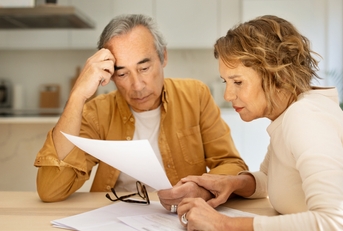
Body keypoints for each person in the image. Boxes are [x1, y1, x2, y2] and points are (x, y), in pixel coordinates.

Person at [34, 14, 248, 203]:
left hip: (178, 217)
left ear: (163, 57)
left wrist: (200, 188)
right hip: (114, 218)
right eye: (122, 74)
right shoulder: (98, 113)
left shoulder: (195, 96)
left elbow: (232, 165)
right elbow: (51, 190)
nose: (137, 86)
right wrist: (77, 95)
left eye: (144, 68)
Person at [170, 15, 343, 230]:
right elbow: (270, 180)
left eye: (238, 82)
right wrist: (231, 183)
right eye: (226, 81)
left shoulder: (305, 118)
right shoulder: (288, 115)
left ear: (280, 77)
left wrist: (224, 224)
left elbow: (334, 221)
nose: (227, 95)